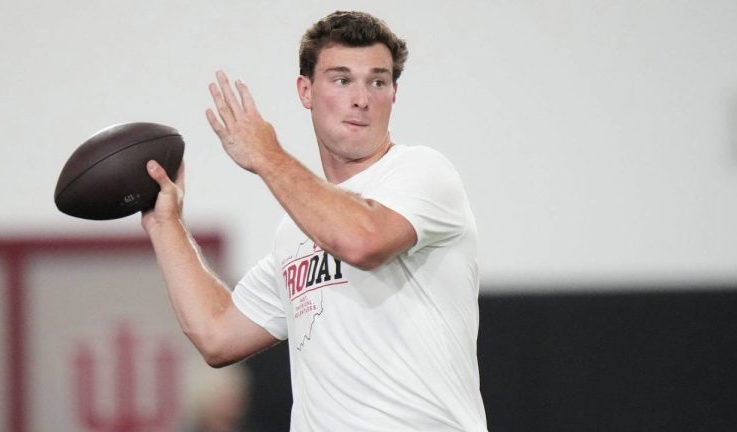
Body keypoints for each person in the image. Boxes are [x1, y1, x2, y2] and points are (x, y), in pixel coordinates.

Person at [142, 10, 488, 431]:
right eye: (342, 80)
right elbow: (216, 335)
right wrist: (166, 224)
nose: (361, 97)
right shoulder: (296, 232)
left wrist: (267, 155)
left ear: (394, 93)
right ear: (305, 91)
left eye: (377, 81)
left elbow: (363, 240)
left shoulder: (424, 173)